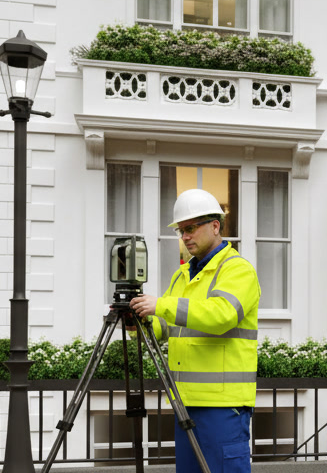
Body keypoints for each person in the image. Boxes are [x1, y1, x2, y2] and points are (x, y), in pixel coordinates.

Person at [130, 188, 260, 473]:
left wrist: (161, 304)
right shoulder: (183, 274)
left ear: (215, 226)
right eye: (181, 231)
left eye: (191, 228)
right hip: (185, 404)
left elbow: (221, 315)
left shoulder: (237, 270)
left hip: (223, 406)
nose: (185, 236)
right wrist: (138, 321)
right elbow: (165, 326)